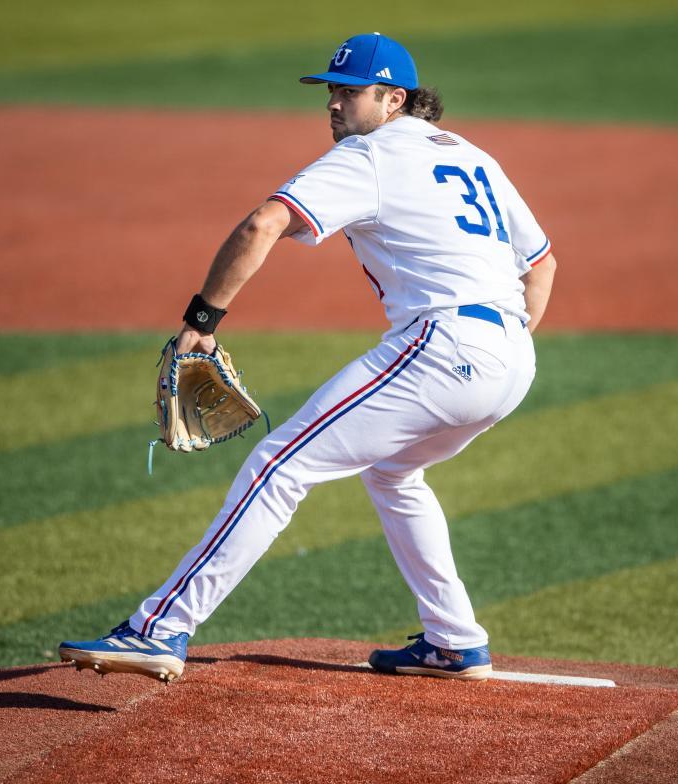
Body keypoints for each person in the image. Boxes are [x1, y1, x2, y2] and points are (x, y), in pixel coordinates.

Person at [59, 32, 557, 682]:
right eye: (331, 91)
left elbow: (261, 224)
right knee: (393, 475)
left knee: (279, 464)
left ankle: (159, 629)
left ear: (394, 98)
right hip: (513, 358)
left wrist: (200, 323)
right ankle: (453, 640)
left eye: (350, 92)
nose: (334, 105)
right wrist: (499, 351)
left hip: (444, 347)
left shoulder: (368, 156)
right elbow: (542, 263)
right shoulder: (471, 154)